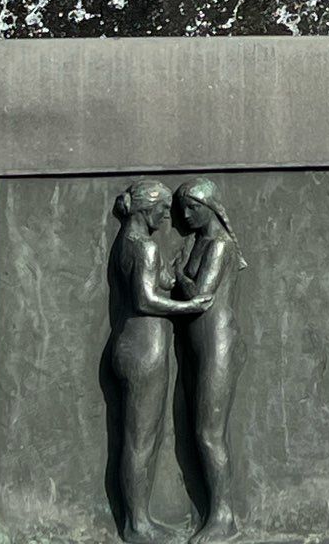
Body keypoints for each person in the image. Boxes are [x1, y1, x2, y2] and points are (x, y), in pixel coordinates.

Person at [109, 182, 213, 544]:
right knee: (142, 441)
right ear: (144, 210)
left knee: (141, 439)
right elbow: (145, 298)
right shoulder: (144, 246)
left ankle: (138, 520)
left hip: (133, 347)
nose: (168, 217)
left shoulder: (126, 243)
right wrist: (188, 307)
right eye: (163, 210)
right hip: (144, 351)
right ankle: (137, 525)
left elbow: (155, 281)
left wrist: (175, 272)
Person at [172, 180, 245, 543]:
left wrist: (178, 275)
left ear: (210, 207)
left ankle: (224, 516)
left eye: (191, 208)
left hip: (218, 346)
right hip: (197, 347)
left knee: (208, 433)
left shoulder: (219, 246)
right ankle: (217, 511)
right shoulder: (198, 242)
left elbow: (201, 296)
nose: (184, 216)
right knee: (197, 429)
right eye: (181, 209)